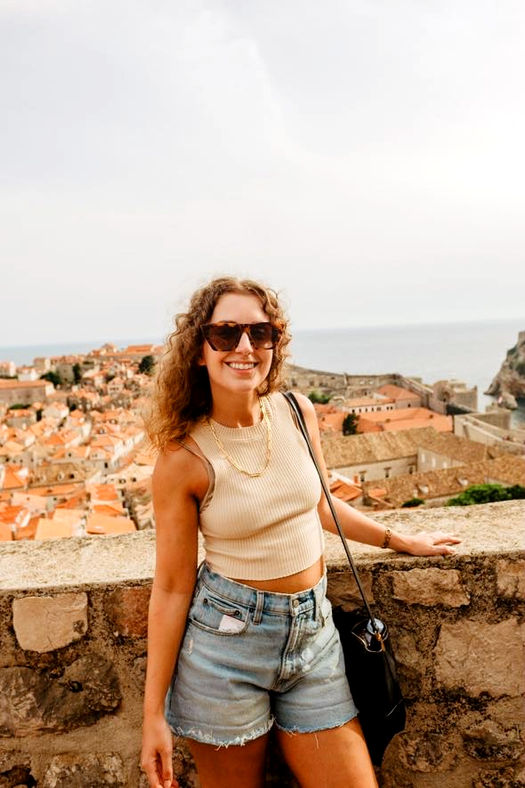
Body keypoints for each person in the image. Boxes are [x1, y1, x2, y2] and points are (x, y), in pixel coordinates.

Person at [141, 276, 460, 788]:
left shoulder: (296, 411)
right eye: (225, 334)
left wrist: (399, 540)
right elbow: (173, 587)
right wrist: (152, 714)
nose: (244, 347)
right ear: (199, 351)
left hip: (315, 638)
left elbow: (321, 505)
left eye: (259, 333)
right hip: (227, 650)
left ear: (274, 342)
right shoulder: (184, 459)